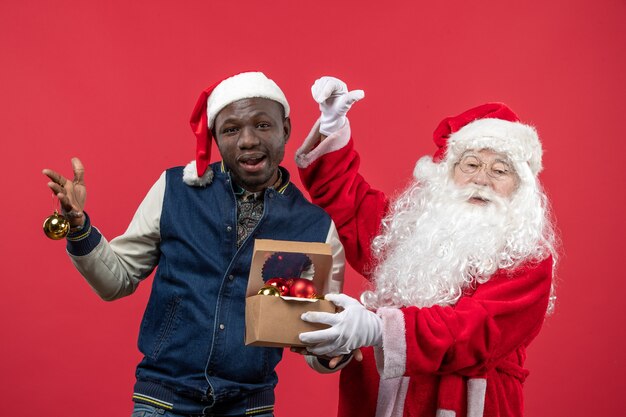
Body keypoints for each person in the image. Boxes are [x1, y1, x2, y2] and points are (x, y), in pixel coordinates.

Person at [42, 72, 345, 417]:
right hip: (163, 400)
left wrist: (329, 350)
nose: (247, 140)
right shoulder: (175, 190)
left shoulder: (315, 227)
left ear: (286, 130)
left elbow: (313, 334)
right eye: (231, 129)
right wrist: (79, 228)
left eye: (262, 125)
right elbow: (116, 281)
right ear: (215, 137)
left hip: (249, 407)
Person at [294, 76, 558, 417]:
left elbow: (474, 331)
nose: (482, 179)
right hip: (382, 399)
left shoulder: (529, 260)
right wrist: (333, 125)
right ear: (448, 173)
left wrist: (377, 327)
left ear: (520, 187)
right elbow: (348, 204)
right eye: (472, 165)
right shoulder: (410, 229)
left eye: (500, 170)